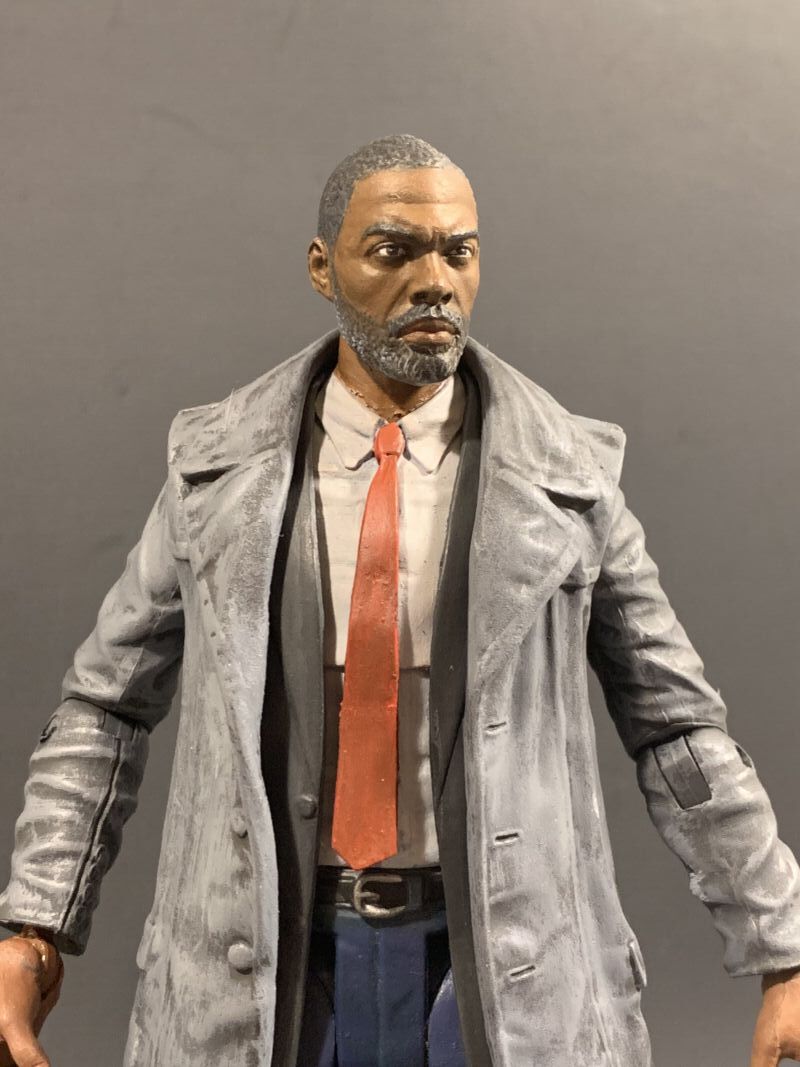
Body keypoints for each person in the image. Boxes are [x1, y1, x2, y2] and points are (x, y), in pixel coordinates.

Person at [1, 134, 799, 1067]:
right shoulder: (217, 473)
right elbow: (105, 708)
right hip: (267, 977)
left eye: (459, 252)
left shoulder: (569, 480)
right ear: (321, 267)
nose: (435, 283)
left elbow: (677, 731)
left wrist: (782, 944)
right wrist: (33, 926)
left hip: (501, 982)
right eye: (393, 252)